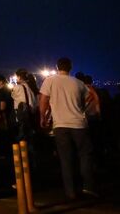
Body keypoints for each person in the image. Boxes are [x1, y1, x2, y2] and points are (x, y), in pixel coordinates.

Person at [39, 57, 96, 200]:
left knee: (65, 158)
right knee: (85, 155)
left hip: (60, 125)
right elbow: (90, 97)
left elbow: (44, 100)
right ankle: (88, 186)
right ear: (71, 67)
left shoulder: (50, 80)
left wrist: (43, 117)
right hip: (79, 124)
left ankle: (70, 192)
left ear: (57, 67)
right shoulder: (78, 82)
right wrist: (82, 107)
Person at [12, 69, 38, 142]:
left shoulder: (18, 87)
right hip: (30, 114)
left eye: (16, 77)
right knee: (29, 137)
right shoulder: (30, 88)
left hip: (22, 115)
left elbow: (13, 95)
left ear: (19, 77)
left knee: (22, 137)